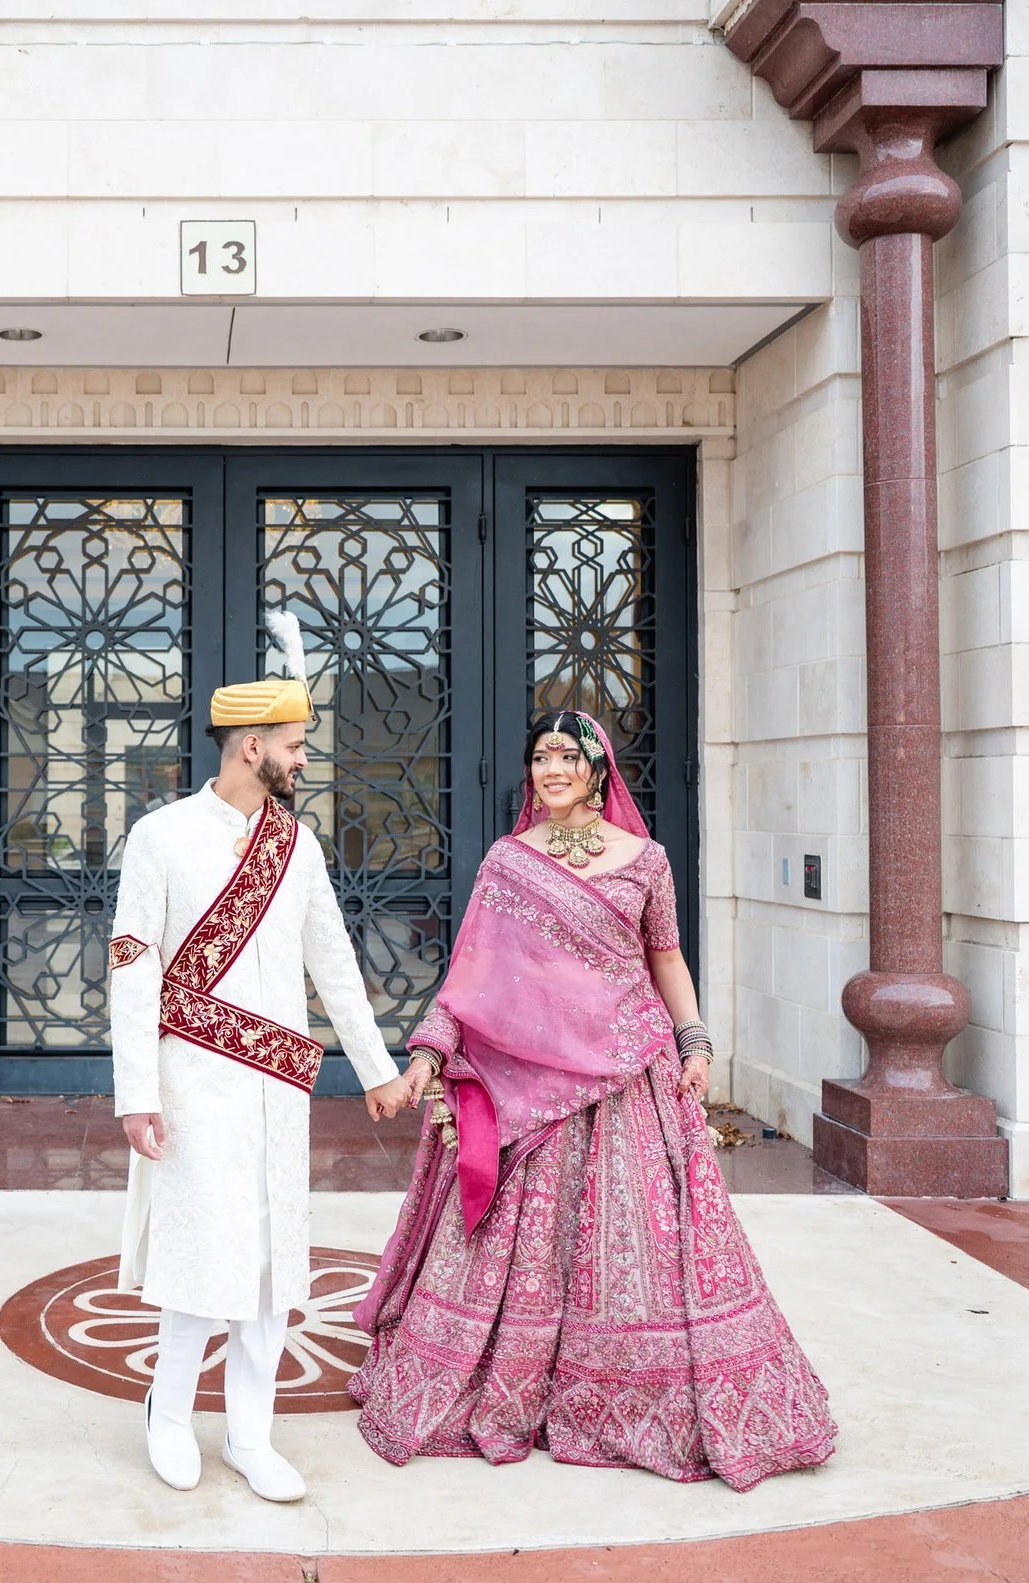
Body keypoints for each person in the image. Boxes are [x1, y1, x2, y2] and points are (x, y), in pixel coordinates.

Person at [348, 708, 837, 1490]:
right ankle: (517, 1385)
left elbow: (666, 959)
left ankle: (629, 1395)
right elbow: (470, 978)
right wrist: (427, 1056)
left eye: (567, 757)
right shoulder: (508, 862)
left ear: (599, 771)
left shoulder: (645, 860)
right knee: (533, 1249)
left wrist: (696, 1040)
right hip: (530, 1089)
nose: (550, 769)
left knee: (638, 1244)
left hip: (627, 1077)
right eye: (539, 755)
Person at [109, 612, 416, 1504]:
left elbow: (336, 964)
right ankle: (170, 1412)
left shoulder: (300, 844)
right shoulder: (160, 836)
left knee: (272, 1265)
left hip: (279, 1087)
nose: (304, 758)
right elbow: (133, 972)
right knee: (201, 1257)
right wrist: (136, 1092)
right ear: (251, 747)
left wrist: (378, 1069)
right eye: (294, 744)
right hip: (190, 1082)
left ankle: (251, 1433)